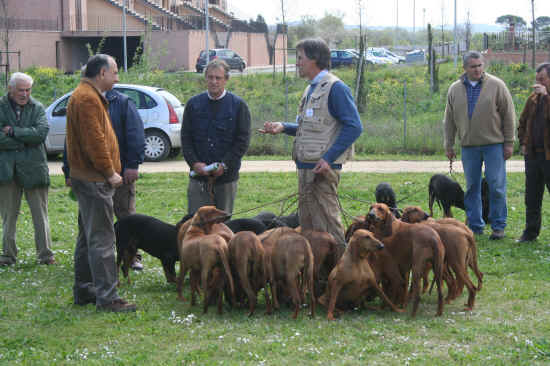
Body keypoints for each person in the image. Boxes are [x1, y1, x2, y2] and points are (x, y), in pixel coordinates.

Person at [260, 38, 363, 250]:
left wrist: (328, 159)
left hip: (322, 171)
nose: (297, 63)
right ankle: (317, 278)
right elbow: (310, 127)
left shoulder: (336, 88)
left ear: (314, 59)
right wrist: (283, 127)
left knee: (328, 228)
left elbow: (354, 126)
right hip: (305, 169)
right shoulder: (311, 90)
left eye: (300, 58)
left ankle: (340, 274)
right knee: (309, 228)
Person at [66, 54, 136, 312]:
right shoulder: (86, 99)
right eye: (115, 72)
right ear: (102, 73)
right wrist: (110, 172)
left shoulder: (86, 95)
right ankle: (108, 298)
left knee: (87, 236)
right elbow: (94, 142)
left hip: (86, 178)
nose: (117, 78)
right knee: (103, 239)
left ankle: (85, 289)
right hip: (95, 180)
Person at [63, 84, 145, 270]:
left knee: (125, 216)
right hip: (89, 177)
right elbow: (71, 141)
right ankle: (90, 261)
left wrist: (132, 165)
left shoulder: (123, 103)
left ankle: (131, 256)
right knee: (89, 221)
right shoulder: (79, 103)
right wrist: (68, 170)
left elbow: (135, 135)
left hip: (119, 172)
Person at [444, 50, 516, 240]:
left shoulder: (497, 85)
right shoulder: (454, 89)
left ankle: (498, 226)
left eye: (480, 66)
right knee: (472, 188)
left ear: (483, 66)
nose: (477, 70)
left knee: (496, 186)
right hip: (468, 146)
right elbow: (449, 120)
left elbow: (509, 115)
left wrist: (509, 142)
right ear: (465, 68)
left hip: (494, 145)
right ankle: (475, 226)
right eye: (473, 66)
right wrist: (449, 145)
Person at [181, 59, 251, 215]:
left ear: (226, 80)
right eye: (210, 77)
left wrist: (225, 165)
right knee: (197, 225)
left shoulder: (238, 106)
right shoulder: (193, 105)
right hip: (198, 179)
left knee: (222, 226)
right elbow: (186, 138)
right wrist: (194, 163)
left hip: (226, 179)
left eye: (218, 78)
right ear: (205, 77)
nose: (214, 81)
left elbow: (242, 141)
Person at [0, 72, 56, 266]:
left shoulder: (38, 107)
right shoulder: (0, 107)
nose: (25, 94)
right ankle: (7, 255)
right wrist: (25, 139)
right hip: (8, 170)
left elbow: (40, 134)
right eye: (20, 90)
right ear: (10, 89)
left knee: (40, 215)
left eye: (28, 90)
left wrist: (14, 132)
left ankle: (46, 255)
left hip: (34, 169)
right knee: (8, 216)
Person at [516, 63, 550, 243]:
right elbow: (522, 122)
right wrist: (523, 143)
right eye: (537, 79)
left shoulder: (545, 97)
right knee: (532, 197)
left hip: (549, 156)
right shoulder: (532, 99)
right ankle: (530, 233)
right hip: (533, 156)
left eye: (542, 79)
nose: (538, 83)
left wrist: (547, 96)